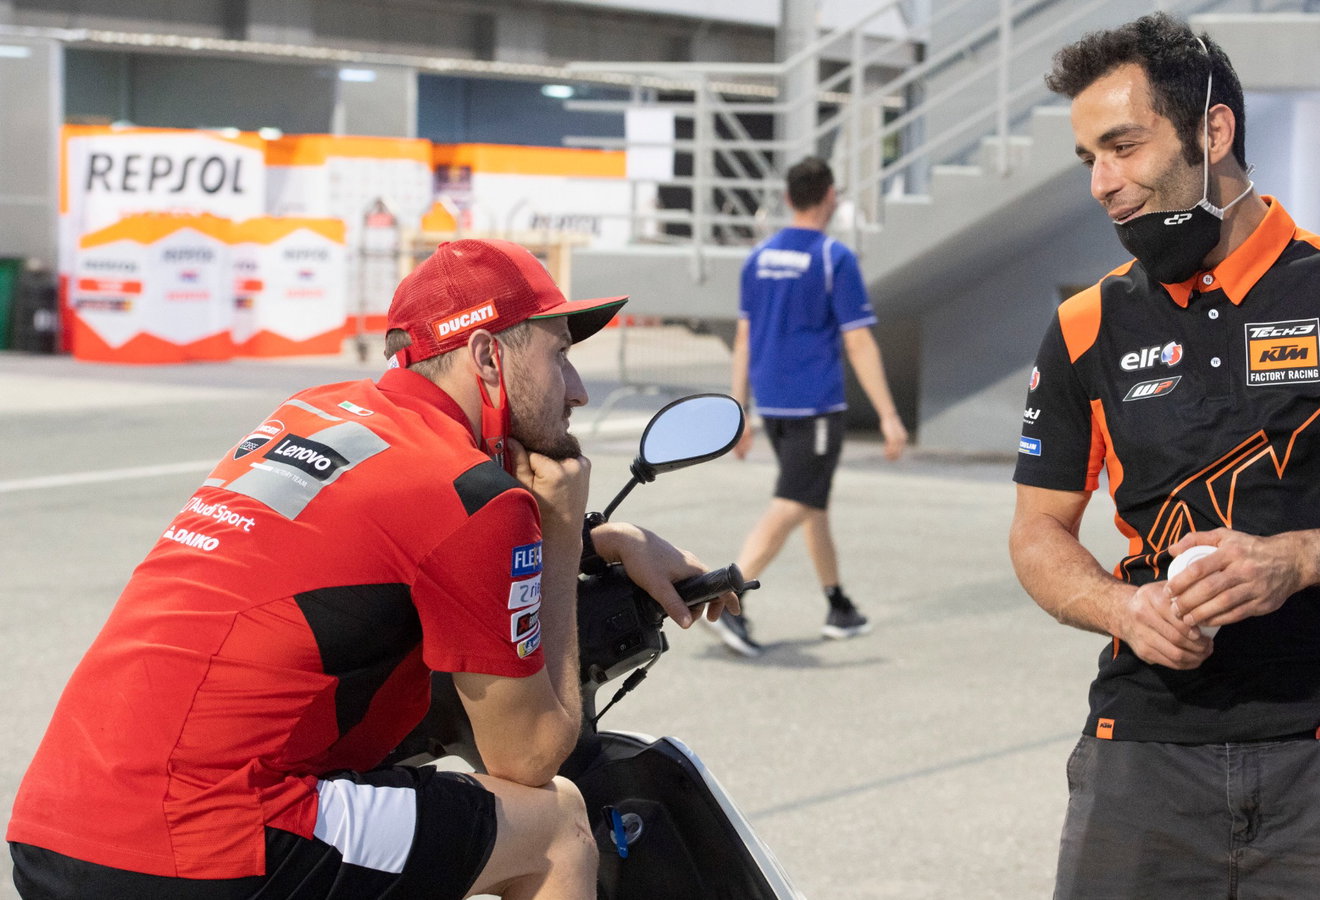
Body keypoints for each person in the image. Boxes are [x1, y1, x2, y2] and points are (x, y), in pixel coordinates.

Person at [8, 238, 733, 900]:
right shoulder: (472, 498)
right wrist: (567, 534)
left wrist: (609, 536)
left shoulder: (314, 414)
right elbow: (531, 756)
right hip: (205, 841)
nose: (577, 389)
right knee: (554, 825)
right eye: (558, 356)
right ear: (486, 357)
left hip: (58, 825)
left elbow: (386, 526)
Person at [1009, 14, 1320, 898]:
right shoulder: (1084, 327)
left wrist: (1299, 559)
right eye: (1089, 161)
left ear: (1212, 130)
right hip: (1138, 755)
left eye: (1123, 146)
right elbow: (1037, 529)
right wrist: (1120, 606)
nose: (1103, 185)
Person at [708, 156, 909, 658]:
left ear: (788, 198)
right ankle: (730, 599)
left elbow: (744, 337)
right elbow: (859, 342)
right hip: (815, 405)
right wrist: (888, 415)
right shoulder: (831, 258)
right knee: (796, 500)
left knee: (812, 502)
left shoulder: (758, 258)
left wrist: (741, 411)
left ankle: (838, 604)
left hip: (774, 407)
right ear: (829, 197)